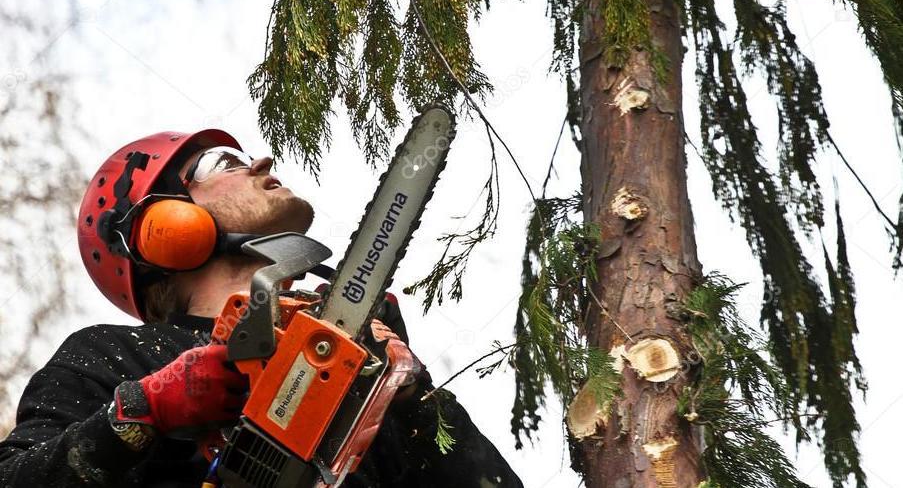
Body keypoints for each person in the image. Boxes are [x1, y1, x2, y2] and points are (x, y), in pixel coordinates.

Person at [0, 129, 523, 487]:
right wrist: (146, 408)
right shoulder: (117, 356)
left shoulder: (358, 374)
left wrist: (409, 397)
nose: (260, 161)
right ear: (159, 225)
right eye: (220, 164)